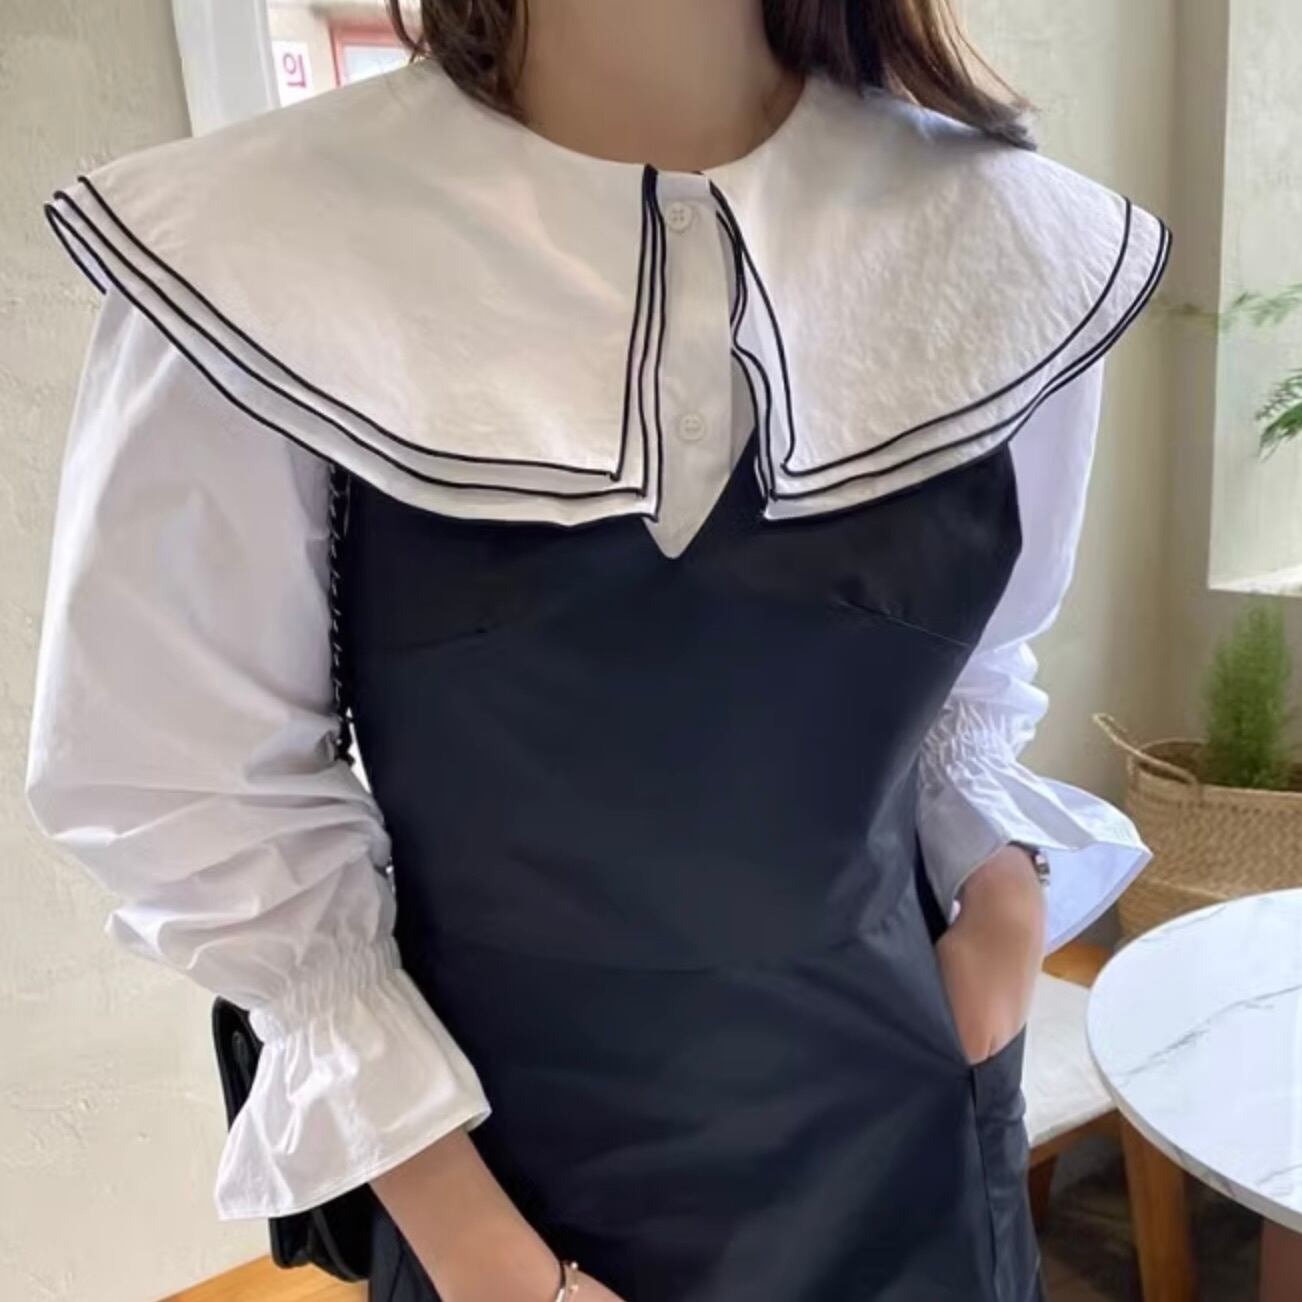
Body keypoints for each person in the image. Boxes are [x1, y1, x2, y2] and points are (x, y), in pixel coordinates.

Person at [25, 1, 1169, 1298]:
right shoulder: (258, 258)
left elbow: (971, 671)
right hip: (515, 1189)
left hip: (914, 1139)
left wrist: (1001, 910)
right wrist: (490, 1259)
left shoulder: (1004, 238)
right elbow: (194, 789)